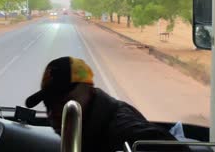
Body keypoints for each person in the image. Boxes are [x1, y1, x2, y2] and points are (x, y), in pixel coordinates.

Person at [25, 56, 191, 152]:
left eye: (63, 101)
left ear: (90, 90)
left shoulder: (123, 130)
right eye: (48, 105)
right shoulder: (90, 126)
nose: (52, 113)